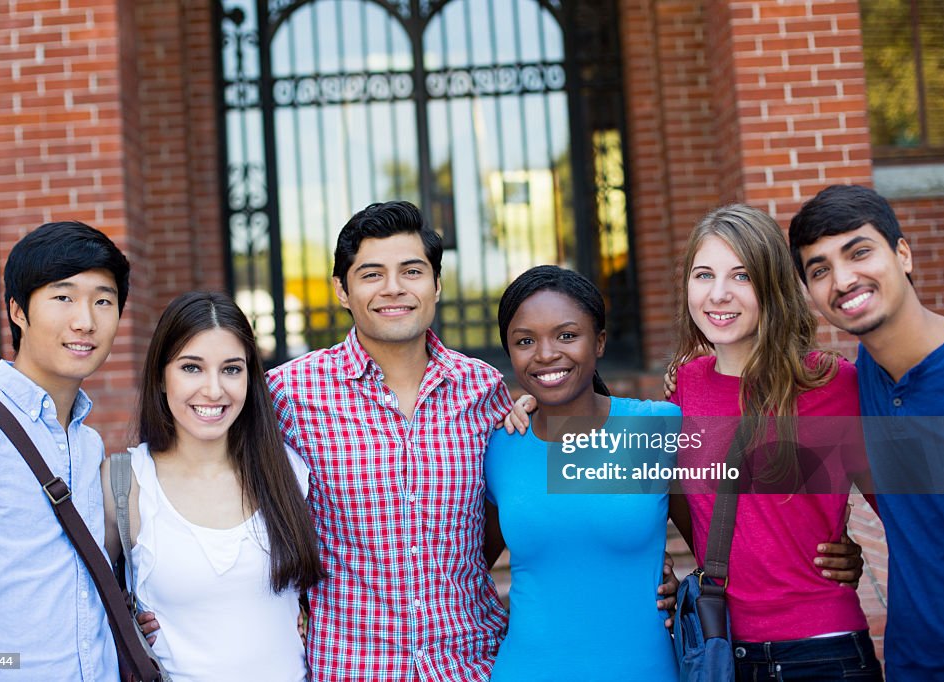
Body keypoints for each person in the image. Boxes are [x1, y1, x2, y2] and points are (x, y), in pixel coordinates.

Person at [264, 201, 678, 681]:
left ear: (436, 285)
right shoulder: (288, 396)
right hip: (353, 665)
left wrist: (643, 564)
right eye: (372, 274)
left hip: (470, 664)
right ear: (342, 289)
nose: (393, 288)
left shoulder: (483, 390)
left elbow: (533, 500)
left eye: (411, 271)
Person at [668, 205, 881, 680]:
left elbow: (906, 513)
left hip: (824, 650)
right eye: (704, 275)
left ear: (773, 286)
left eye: (741, 276)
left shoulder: (834, 384)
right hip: (725, 650)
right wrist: (538, 408)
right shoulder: (684, 386)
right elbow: (675, 496)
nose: (718, 294)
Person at [0, 221, 129, 680]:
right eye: (63, 297)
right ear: (18, 311)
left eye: (103, 300)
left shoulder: (87, 442)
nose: (85, 320)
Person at [101, 291, 323, 681]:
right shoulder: (125, 483)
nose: (214, 390)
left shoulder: (289, 470)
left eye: (232, 369)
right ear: (161, 377)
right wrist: (124, 623)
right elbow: (78, 605)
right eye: (192, 368)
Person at [789, 184, 944, 681]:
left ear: (902, 253)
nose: (842, 279)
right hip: (917, 664)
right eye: (820, 270)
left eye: (859, 251)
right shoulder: (859, 380)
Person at [485, 265, 679, 680]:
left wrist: (689, 587)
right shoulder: (498, 447)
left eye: (567, 335)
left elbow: (723, 544)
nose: (546, 353)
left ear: (600, 342)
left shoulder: (655, 429)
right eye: (525, 341)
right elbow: (462, 568)